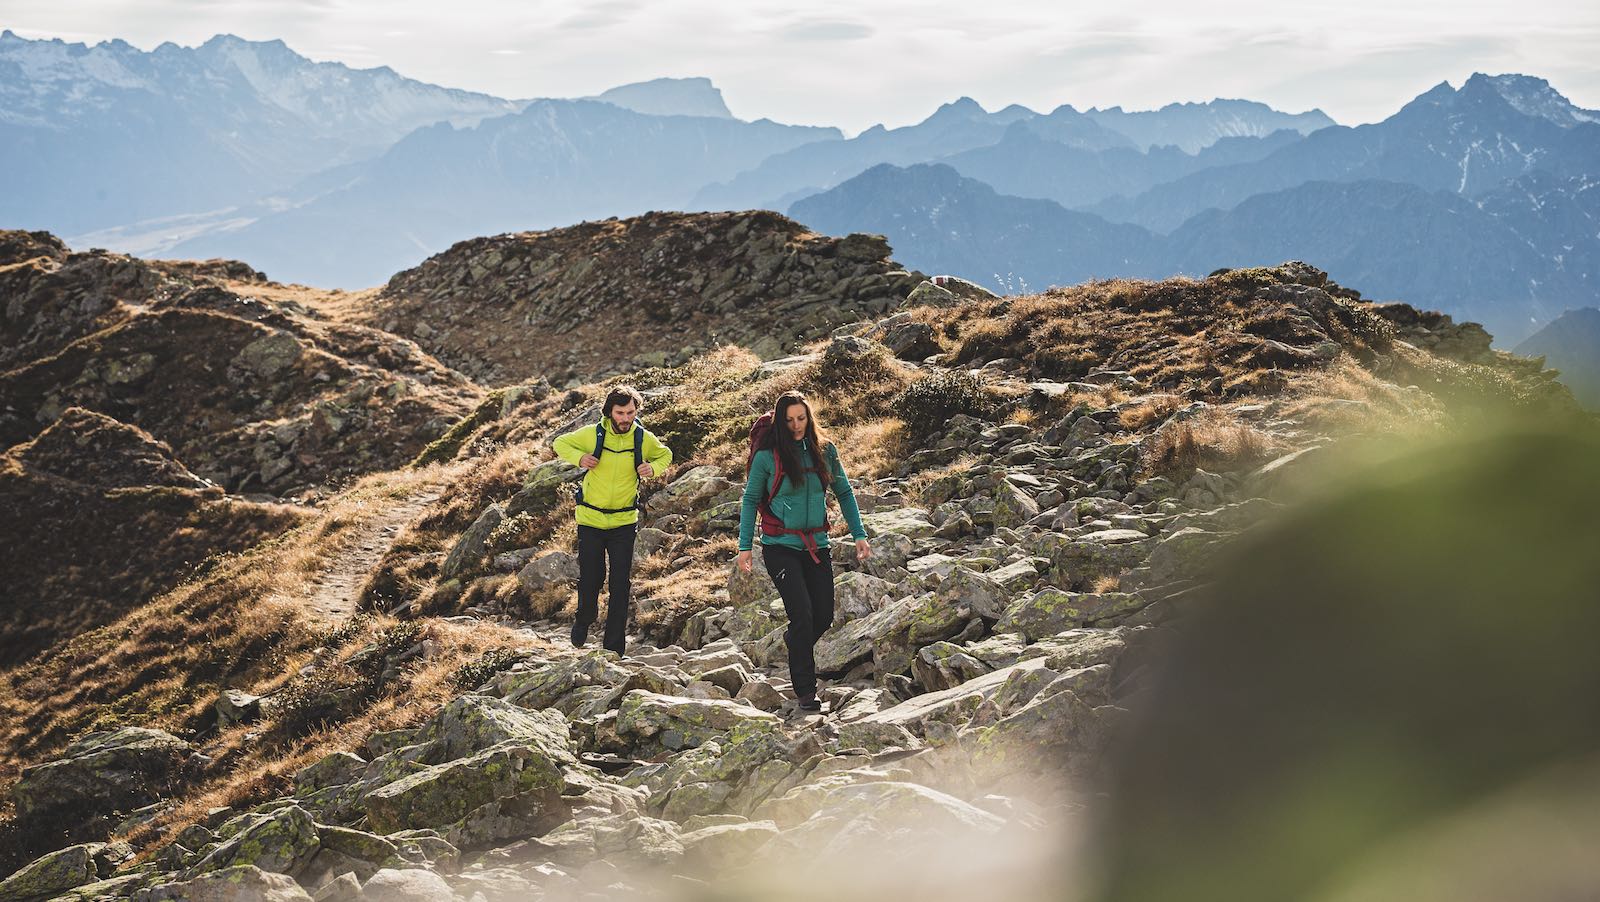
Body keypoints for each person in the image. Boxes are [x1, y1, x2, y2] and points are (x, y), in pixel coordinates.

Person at [737, 390, 871, 712]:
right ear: (780, 422)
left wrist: (859, 534)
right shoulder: (768, 456)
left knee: (823, 615)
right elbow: (750, 499)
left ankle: (795, 645)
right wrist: (744, 547)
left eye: (801, 418)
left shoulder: (825, 450)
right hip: (780, 547)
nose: (796, 425)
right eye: (789, 420)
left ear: (809, 417)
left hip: (817, 545)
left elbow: (844, 492)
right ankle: (806, 693)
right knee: (802, 614)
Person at [552, 384, 672, 655]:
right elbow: (559, 443)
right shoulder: (593, 434)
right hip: (591, 520)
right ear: (609, 412)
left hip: (623, 522)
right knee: (592, 577)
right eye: (620, 413)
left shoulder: (642, 438)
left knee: (620, 584)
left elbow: (666, 454)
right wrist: (580, 457)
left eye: (630, 412)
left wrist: (652, 468)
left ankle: (614, 648)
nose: (626, 418)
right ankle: (583, 619)